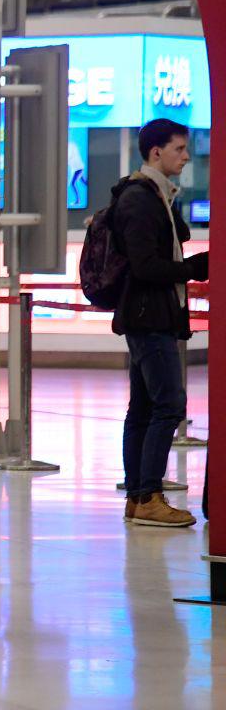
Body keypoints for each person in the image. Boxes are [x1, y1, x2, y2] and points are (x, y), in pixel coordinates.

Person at [113, 118, 209, 527]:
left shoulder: (158, 196)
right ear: (156, 152)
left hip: (150, 315)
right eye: (179, 149)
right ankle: (149, 494)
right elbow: (146, 266)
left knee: (144, 407)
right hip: (148, 317)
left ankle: (138, 495)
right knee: (169, 405)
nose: (186, 157)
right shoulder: (139, 199)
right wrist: (191, 269)